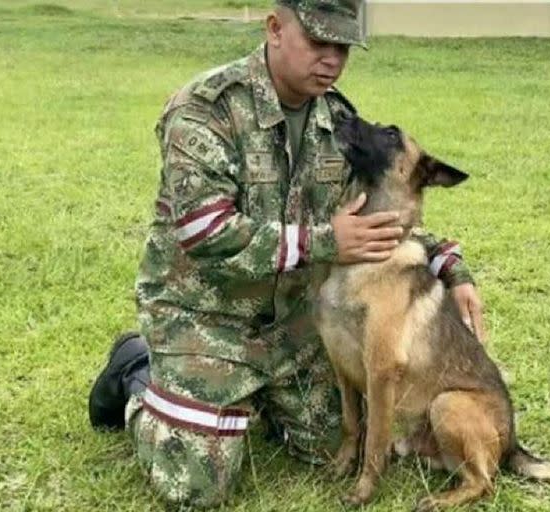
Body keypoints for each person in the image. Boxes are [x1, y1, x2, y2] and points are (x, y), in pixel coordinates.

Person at [88, 0, 485, 506]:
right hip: (206, 318)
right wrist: (323, 241)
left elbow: (378, 218)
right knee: (194, 484)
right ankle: (135, 369)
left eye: (342, 46)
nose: (332, 60)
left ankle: (247, 397)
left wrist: (449, 265)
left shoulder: (338, 122)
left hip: (292, 325)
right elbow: (205, 230)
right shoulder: (206, 109)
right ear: (274, 28)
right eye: (318, 41)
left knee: (342, 443)